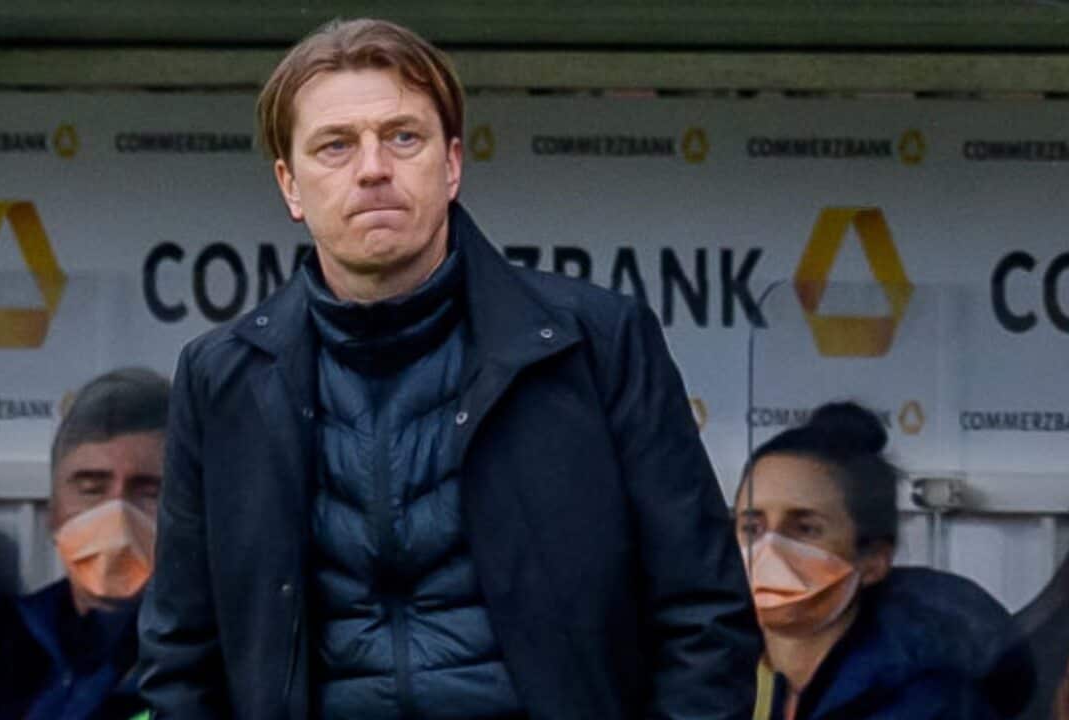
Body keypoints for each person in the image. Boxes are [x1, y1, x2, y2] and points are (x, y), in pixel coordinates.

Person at [139, 17, 760, 720]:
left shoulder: (596, 343)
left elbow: (705, 617)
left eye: (403, 137)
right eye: (335, 146)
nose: (373, 168)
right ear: (289, 184)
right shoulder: (221, 379)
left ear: (453, 163)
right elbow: (181, 654)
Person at [736, 402, 1034, 720]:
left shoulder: (928, 702)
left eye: (805, 529)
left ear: (873, 560)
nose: (771, 549)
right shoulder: (730, 673)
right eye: (752, 528)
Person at [0, 367, 169, 720]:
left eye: (149, 492)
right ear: (54, 512)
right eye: (90, 489)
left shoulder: (219, 672)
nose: (116, 515)